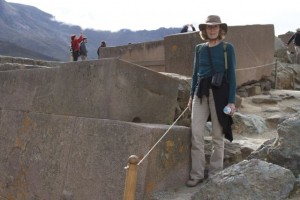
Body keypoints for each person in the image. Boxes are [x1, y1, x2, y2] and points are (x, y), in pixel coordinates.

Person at [186, 15, 236, 187]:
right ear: (205, 30)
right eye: (209, 27)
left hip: (220, 94)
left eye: (215, 26)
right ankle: (197, 174)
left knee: (217, 135)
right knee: (196, 134)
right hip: (200, 92)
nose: (212, 29)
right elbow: (194, 74)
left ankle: (215, 174)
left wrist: (231, 101)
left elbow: (232, 76)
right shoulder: (199, 49)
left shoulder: (227, 48)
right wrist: (191, 96)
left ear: (220, 29)